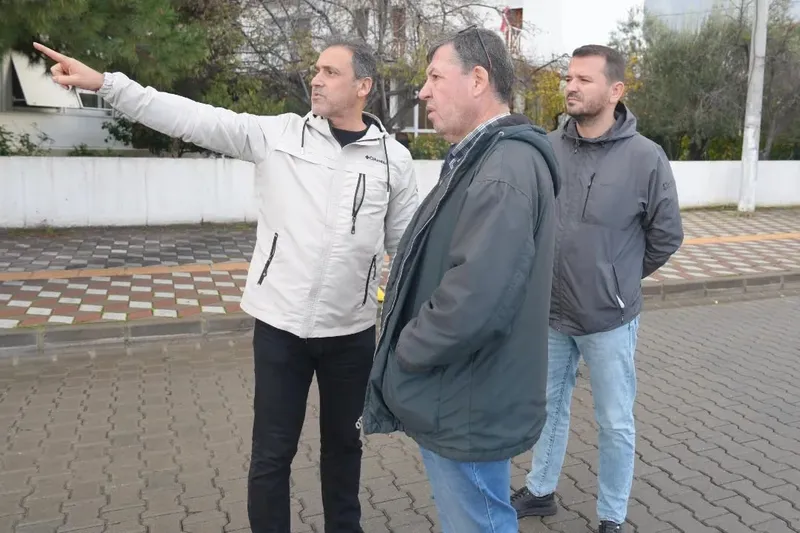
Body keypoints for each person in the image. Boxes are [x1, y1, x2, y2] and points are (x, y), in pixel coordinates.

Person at [33, 38, 418, 533]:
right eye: (316, 69)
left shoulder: (392, 159)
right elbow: (190, 117)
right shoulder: (276, 135)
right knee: (272, 454)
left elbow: (407, 248)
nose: (316, 79)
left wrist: (410, 330)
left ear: (363, 86)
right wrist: (108, 85)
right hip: (281, 329)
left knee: (345, 447)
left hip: (351, 333)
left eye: (330, 72)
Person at [359, 26, 560, 533]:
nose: (422, 91)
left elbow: (476, 299)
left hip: (467, 396)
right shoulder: (486, 158)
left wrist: (406, 349)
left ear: (477, 80)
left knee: (478, 522)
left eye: (434, 77)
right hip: (469, 390)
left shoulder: (503, 167)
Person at [511, 44, 684, 533]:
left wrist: (617, 279)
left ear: (615, 90)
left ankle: (611, 515)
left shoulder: (645, 157)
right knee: (547, 409)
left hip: (609, 318)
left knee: (614, 421)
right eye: (569, 77)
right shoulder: (546, 147)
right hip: (551, 312)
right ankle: (540, 491)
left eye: (584, 79)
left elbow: (667, 235)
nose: (571, 86)